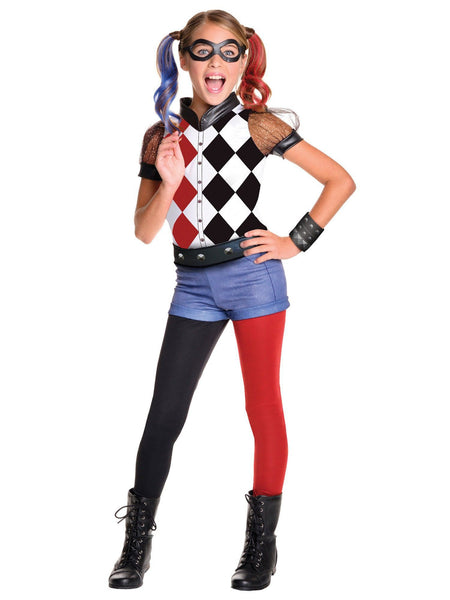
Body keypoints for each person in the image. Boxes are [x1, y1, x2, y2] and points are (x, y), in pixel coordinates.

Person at [108, 9, 356, 592]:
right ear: (183, 57)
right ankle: (136, 545)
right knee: (164, 414)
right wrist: (169, 180)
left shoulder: (259, 126)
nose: (215, 63)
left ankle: (260, 545)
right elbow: (144, 231)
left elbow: (340, 180)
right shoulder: (160, 137)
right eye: (203, 50)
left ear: (245, 58)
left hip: (253, 280)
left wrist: (294, 242)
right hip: (192, 285)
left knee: (262, 406)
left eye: (229, 51)